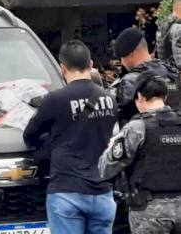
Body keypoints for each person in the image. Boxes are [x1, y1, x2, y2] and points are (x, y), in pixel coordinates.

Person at [23, 40, 118, 234]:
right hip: (103, 193)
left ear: (62, 68)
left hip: (67, 192)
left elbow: (30, 136)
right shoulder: (109, 99)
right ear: (91, 65)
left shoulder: (56, 99)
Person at [99, 73, 181, 234]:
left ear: (139, 96)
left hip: (149, 212)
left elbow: (106, 168)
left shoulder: (137, 127)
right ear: (164, 96)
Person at [111, 27, 180, 127]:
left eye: (122, 58)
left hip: (146, 140)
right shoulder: (172, 73)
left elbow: (124, 123)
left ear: (131, 54)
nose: (122, 62)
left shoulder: (130, 81)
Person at [157, 0, 181, 70]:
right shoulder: (178, 28)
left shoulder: (164, 24)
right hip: (176, 74)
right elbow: (179, 59)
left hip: (167, 72)